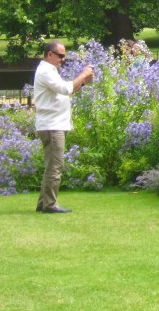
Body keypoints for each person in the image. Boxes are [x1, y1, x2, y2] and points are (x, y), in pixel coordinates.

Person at [33, 40, 94, 214]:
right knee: (55, 166)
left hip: (54, 124)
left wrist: (82, 82)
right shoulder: (45, 71)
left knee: (51, 165)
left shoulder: (50, 70)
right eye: (60, 56)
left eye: (64, 56)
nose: (63, 59)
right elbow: (64, 89)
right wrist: (82, 75)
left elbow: (65, 92)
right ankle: (50, 205)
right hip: (52, 125)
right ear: (50, 54)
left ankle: (43, 203)